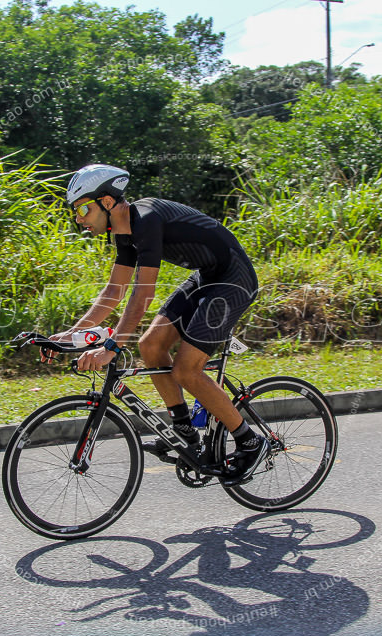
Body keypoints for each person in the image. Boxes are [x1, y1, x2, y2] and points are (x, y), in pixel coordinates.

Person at [48, 163, 265, 486]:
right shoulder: (123, 232)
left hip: (233, 280)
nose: (79, 218)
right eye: (76, 211)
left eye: (83, 208)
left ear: (107, 202)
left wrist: (111, 346)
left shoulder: (146, 219)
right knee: (150, 345)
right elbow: (114, 291)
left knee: (187, 370)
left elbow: (142, 296)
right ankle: (185, 432)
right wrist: (71, 334)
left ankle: (249, 440)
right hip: (207, 277)